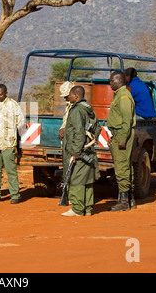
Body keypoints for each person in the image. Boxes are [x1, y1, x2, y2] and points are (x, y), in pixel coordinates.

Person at [61, 86, 100, 217]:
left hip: (79, 151)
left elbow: (78, 132)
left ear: (76, 96)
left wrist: (76, 151)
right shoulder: (88, 109)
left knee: (76, 178)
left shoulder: (77, 110)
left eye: (70, 95)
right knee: (86, 179)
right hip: (88, 149)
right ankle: (88, 208)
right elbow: (97, 128)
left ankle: (77, 209)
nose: (68, 97)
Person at [0, 84, 26, 204]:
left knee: (11, 170)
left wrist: (16, 137)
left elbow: (21, 122)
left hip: (8, 142)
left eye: (1, 94)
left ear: (6, 93)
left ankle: (15, 195)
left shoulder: (13, 105)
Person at [107, 72, 136, 211]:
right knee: (126, 165)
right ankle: (130, 199)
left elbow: (127, 120)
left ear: (119, 80)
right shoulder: (119, 94)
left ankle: (124, 201)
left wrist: (122, 138)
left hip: (122, 134)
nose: (110, 82)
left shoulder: (123, 96)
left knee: (121, 166)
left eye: (112, 80)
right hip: (118, 134)